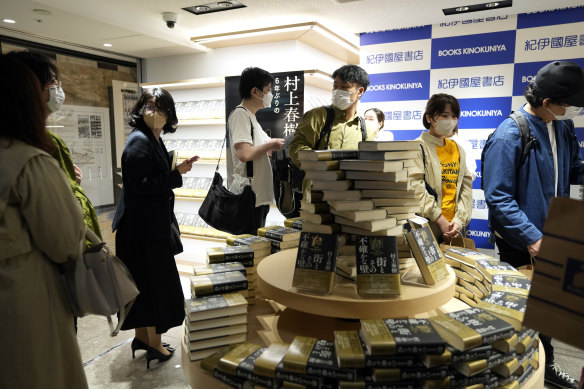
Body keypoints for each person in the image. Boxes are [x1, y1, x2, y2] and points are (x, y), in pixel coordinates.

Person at [483, 60, 584, 389]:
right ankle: (516, 374)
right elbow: (498, 198)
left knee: (550, 313)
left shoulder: (562, 128)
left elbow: (573, 171)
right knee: (523, 315)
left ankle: (547, 367)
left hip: (554, 237)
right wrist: (532, 238)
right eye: (566, 104)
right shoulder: (509, 134)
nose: (570, 110)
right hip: (523, 243)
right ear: (547, 102)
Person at [0, 54, 88, 388]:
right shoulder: (31, 161)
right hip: (27, 299)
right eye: (48, 87)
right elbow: (66, 241)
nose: (54, 94)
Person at [112, 88, 197, 368]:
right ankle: (155, 345)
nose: (153, 111)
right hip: (143, 233)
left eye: (160, 107)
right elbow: (141, 186)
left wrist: (176, 171)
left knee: (142, 286)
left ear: (169, 113)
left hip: (142, 229)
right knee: (155, 287)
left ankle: (143, 339)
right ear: (141, 109)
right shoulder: (139, 141)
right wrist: (175, 175)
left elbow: (151, 177)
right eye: (148, 106)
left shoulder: (151, 138)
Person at [6, 50, 102, 245]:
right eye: (52, 83)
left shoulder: (45, 142)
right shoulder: (37, 152)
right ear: (28, 89)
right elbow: (65, 236)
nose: (58, 90)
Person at [289, 64, 374, 196]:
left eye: (344, 87)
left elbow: (369, 160)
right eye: (335, 86)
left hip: (351, 194)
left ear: (360, 91)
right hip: (317, 192)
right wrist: (322, 167)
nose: (337, 91)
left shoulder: (365, 128)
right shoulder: (317, 116)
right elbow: (297, 148)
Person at [226, 67, 285, 233]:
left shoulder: (251, 116)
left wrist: (272, 145)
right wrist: (270, 144)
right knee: (249, 242)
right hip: (249, 195)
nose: (270, 95)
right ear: (255, 91)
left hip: (256, 193)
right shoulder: (240, 115)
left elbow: (258, 150)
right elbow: (245, 154)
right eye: (268, 90)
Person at [411, 93, 473, 242]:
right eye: (444, 115)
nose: (450, 121)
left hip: (454, 228)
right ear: (429, 118)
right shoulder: (416, 147)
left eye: (454, 116)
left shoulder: (458, 149)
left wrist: (458, 221)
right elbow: (416, 188)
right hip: (427, 227)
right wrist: (440, 219)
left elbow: (466, 188)